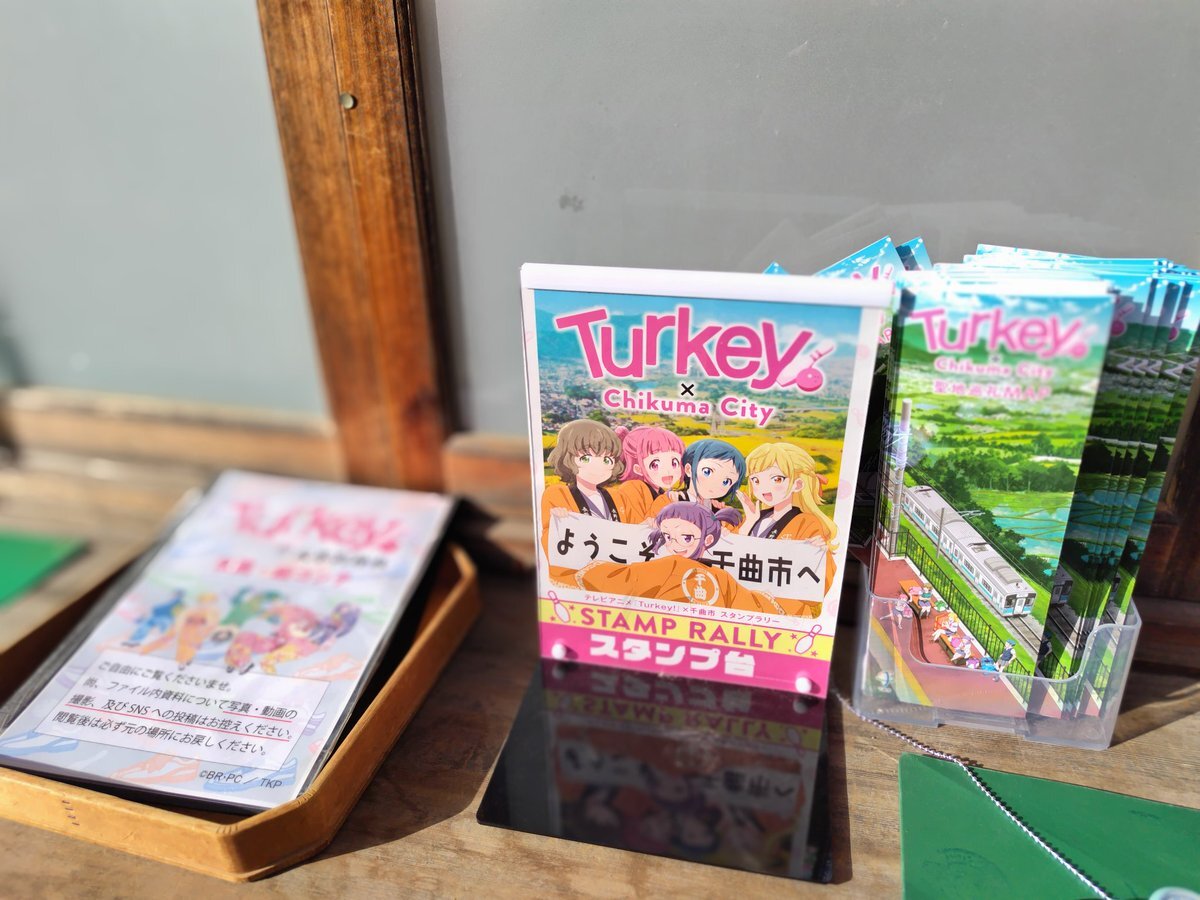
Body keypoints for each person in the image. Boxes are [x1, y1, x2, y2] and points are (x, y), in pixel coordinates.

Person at [573, 502, 818, 616]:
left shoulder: (718, 576)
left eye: (687, 537)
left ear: (707, 540)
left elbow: (610, 578)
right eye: (668, 536)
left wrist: (811, 554)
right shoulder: (668, 565)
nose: (676, 544)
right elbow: (759, 605)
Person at [736, 442, 837, 591]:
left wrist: (818, 552)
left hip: (776, 596)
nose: (764, 488)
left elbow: (819, 579)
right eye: (756, 480)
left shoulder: (806, 522)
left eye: (776, 479)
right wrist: (748, 524)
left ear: (797, 484)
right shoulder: (753, 518)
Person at [541, 419, 626, 569]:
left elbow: (628, 531)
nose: (598, 467)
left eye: (607, 459)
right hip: (583, 568)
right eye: (586, 458)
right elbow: (551, 538)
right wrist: (558, 520)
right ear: (567, 459)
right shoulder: (558, 494)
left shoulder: (616, 496)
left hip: (615, 562)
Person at [610, 425, 685, 523]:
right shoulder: (632, 489)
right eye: (655, 465)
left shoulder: (660, 491)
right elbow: (637, 526)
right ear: (638, 469)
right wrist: (666, 500)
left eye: (674, 463)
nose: (667, 471)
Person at [674, 439, 746, 529]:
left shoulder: (723, 512)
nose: (715, 484)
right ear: (689, 470)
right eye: (707, 472)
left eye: (726, 481)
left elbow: (739, 532)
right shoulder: (672, 500)